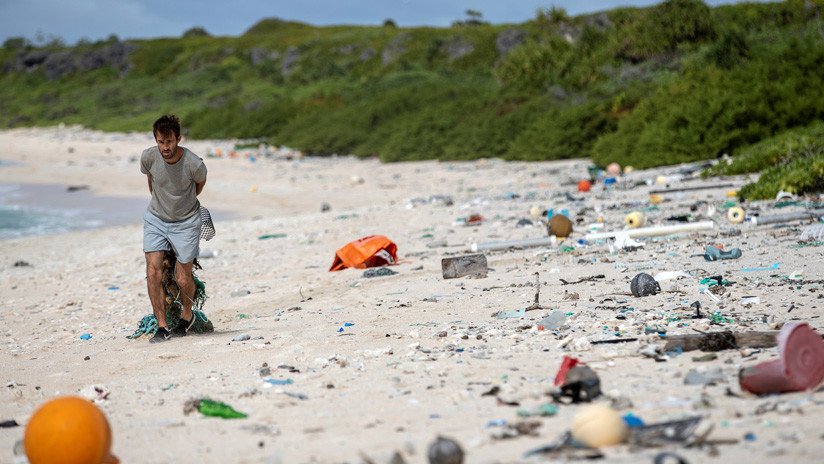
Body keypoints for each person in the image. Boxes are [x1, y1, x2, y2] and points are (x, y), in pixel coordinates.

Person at [140, 115, 207, 343]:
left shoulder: (193, 163)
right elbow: (152, 181)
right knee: (152, 270)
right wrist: (163, 205)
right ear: (155, 140)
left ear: (178, 138)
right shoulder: (148, 157)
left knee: (182, 276)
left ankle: (186, 316)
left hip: (187, 221)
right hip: (156, 218)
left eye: (169, 142)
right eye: (160, 142)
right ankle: (161, 325)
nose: (165, 147)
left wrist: (182, 204)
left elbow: (199, 184)